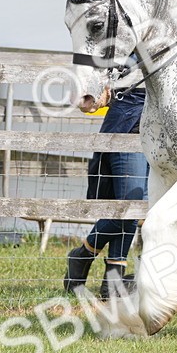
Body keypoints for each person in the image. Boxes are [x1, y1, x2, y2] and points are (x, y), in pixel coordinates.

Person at [64, 88, 149, 299]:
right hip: (130, 130)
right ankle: (83, 255)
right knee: (130, 207)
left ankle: (109, 284)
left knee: (133, 210)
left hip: (158, 137)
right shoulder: (130, 58)